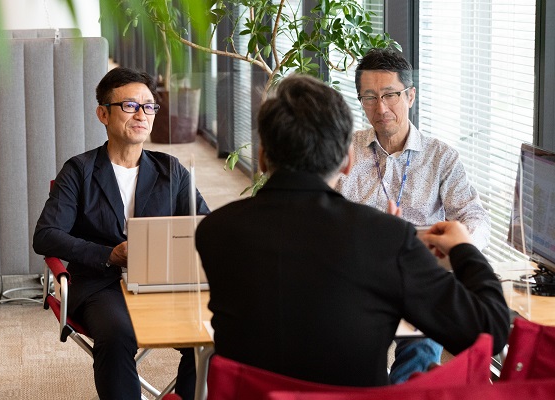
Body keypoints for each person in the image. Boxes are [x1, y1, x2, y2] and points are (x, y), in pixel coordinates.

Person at [195, 73, 509, 387]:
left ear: (262, 158)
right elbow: (489, 332)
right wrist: (465, 249)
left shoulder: (214, 232)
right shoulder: (385, 238)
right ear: (348, 160)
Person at [33, 67, 210, 400]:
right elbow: (45, 235)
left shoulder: (171, 171)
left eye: (149, 106)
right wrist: (107, 254)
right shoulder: (79, 171)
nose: (142, 114)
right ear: (103, 113)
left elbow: (205, 225)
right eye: (130, 105)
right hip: (102, 284)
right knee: (117, 334)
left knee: (212, 334)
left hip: (163, 282)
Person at [336, 48, 492, 384]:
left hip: (422, 278)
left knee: (420, 352)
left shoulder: (441, 157)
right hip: (359, 280)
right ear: (360, 101)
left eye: (390, 95)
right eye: (370, 97)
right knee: (355, 354)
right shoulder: (343, 151)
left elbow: (475, 217)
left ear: (410, 96)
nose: (381, 108)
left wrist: (460, 246)